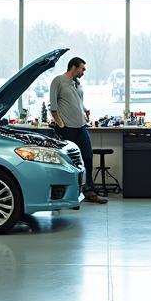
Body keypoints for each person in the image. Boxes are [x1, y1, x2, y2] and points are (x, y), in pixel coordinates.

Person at [50, 56, 107, 204]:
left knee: (88, 157)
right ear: (74, 67)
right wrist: (61, 125)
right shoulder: (58, 81)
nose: (83, 72)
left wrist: (85, 110)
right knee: (69, 162)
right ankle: (67, 194)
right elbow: (53, 107)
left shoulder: (77, 83)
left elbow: (78, 102)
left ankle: (89, 191)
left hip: (81, 127)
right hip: (67, 129)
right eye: (82, 69)